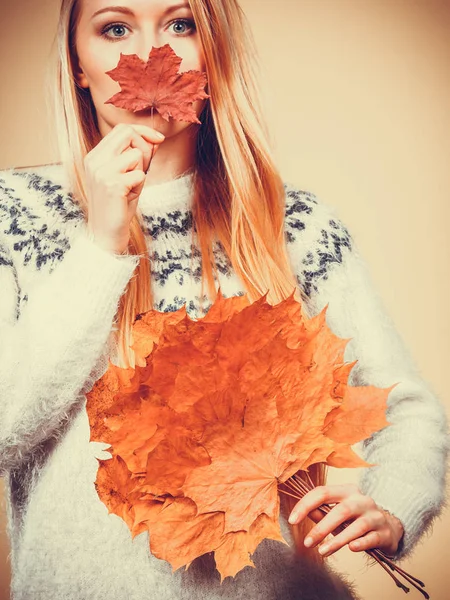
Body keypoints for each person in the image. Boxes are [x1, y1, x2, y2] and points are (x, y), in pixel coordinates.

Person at [0, 0, 448, 598]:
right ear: (78, 64)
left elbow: (407, 409)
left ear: (214, 49)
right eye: (115, 28)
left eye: (180, 24)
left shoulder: (295, 227)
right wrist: (102, 245)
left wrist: (391, 507)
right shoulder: (16, 215)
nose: (150, 54)